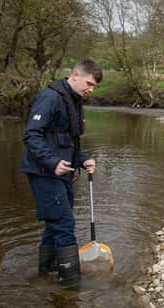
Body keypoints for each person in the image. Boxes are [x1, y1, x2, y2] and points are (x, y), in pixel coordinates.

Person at [20, 59, 103, 287]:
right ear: (75, 74)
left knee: (54, 223)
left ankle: (46, 272)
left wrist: (83, 160)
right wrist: (52, 161)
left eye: (94, 86)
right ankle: (71, 286)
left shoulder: (74, 101)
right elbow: (32, 136)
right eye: (89, 83)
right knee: (65, 223)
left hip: (61, 172)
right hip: (44, 172)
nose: (91, 89)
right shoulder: (50, 98)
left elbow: (68, 142)